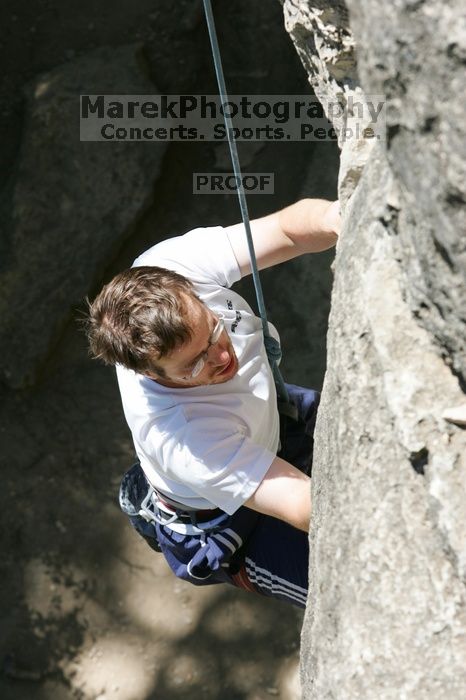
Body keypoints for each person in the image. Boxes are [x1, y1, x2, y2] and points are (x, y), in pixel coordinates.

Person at [86, 198, 340, 608]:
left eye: (214, 331)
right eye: (194, 364)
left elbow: (288, 230)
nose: (222, 357)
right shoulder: (187, 438)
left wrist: (340, 218)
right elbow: (306, 505)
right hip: (231, 521)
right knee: (342, 594)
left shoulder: (168, 266)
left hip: (268, 415)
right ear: (152, 375)